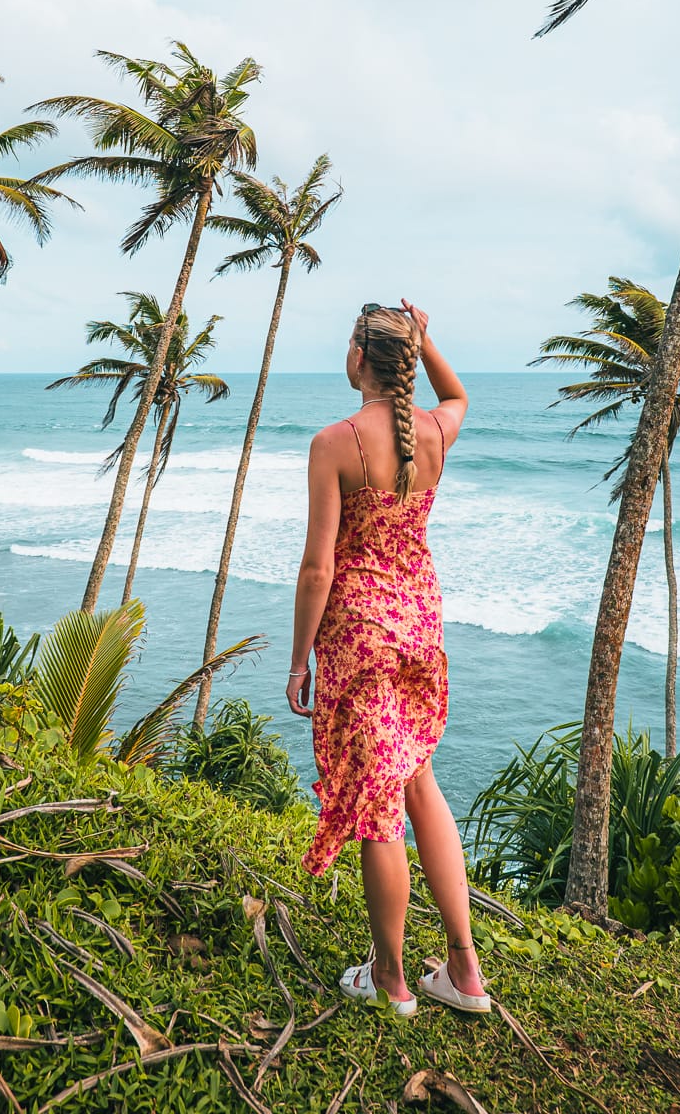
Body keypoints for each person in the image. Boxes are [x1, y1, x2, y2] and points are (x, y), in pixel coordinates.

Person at [286, 300, 491, 1017]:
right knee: (418, 783)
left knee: (378, 810)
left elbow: (317, 568)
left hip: (361, 638)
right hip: (420, 631)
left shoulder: (335, 443)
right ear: (405, 362)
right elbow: (459, 396)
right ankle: (464, 973)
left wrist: (298, 660)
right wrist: (429, 341)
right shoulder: (434, 431)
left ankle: (392, 978)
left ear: (358, 359)